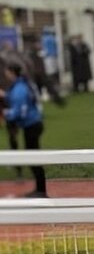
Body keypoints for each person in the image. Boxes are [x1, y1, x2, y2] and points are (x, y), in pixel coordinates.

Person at [0, 62, 47, 197]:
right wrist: (4, 95)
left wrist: (5, 114)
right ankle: (40, 189)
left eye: (7, 71)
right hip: (32, 125)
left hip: (31, 125)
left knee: (33, 159)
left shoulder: (20, 88)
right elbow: (14, 98)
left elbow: (20, 112)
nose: (5, 74)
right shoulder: (19, 85)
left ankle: (41, 191)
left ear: (12, 72)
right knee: (32, 158)